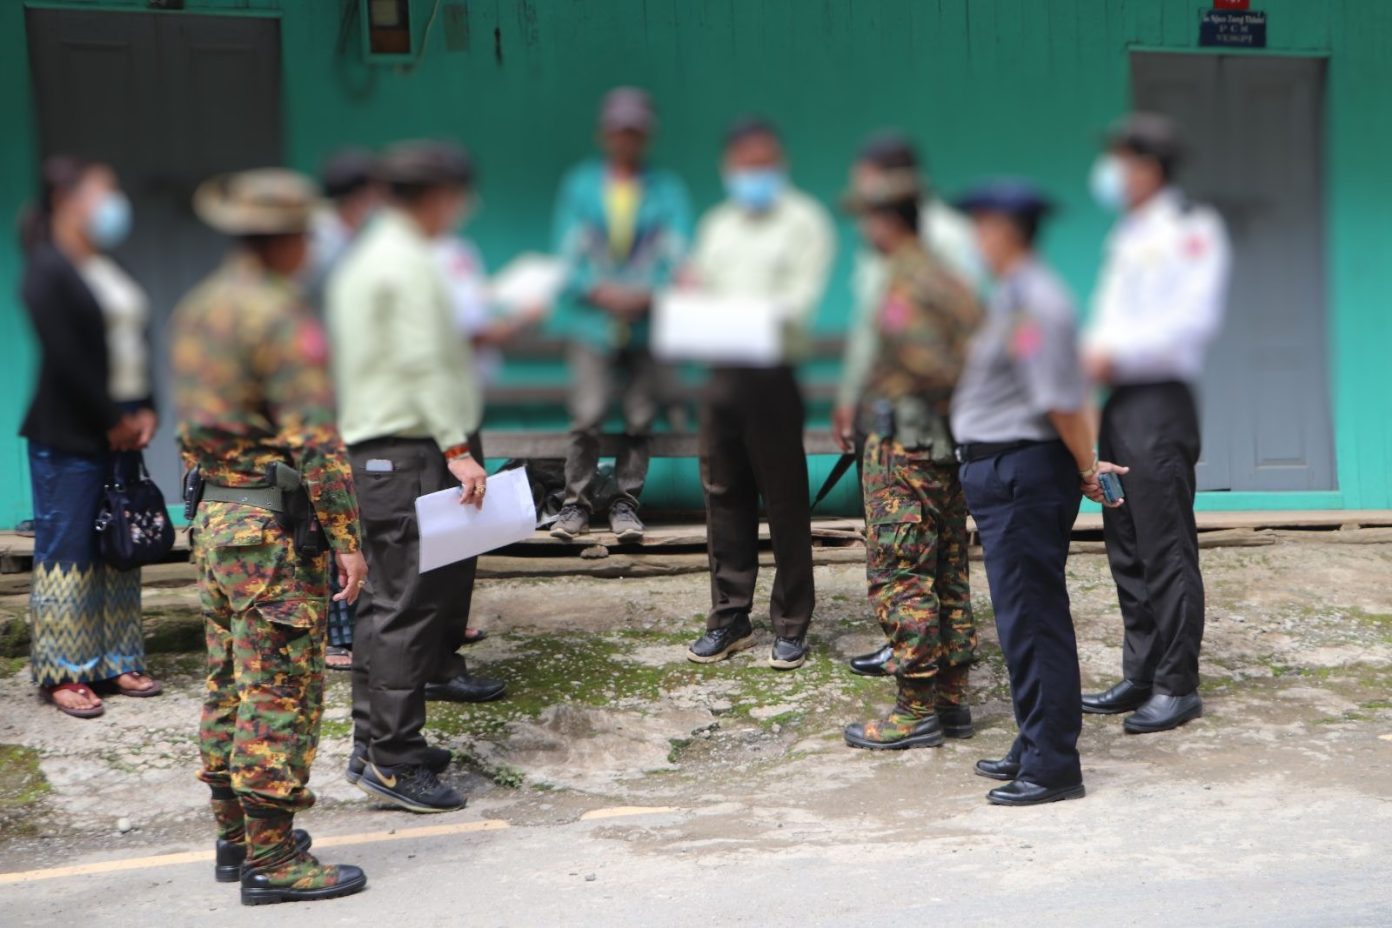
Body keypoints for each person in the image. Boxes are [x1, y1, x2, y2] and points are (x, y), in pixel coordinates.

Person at [172, 168, 368, 904]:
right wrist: (347, 537)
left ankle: (235, 839)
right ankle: (274, 859)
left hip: (216, 523)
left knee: (228, 680)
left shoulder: (200, 308)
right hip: (271, 532)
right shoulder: (283, 319)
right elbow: (317, 440)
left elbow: (189, 432)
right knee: (279, 690)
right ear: (286, 239)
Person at [328, 140, 505, 816]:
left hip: (374, 452)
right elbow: (423, 361)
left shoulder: (367, 255)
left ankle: (373, 743)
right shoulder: (409, 263)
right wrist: (457, 448)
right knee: (408, 607)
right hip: (409, 449)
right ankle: (396, 762)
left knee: (382, 603)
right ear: (437, 197)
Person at [951, 180, 1129, 805]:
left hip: (1022, 472)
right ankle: (1034, 739)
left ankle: (1054, 764)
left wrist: (1086, 465)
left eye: (981, 227)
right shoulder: (1011, 297)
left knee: (1033, 618)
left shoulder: (1037, 303)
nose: (975, 239)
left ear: (1005, 231)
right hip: (1004, 469)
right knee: (1018, 617)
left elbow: (1063, 400)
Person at [1081, 113, 1231, 734]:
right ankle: (1141, 671)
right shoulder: (1129, 232)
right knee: (1126, 540)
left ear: (1149, 167)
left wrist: (1110, 354)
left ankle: (1177, 684)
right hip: (1120, 401)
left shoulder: (1191, 229)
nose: (1113, 173)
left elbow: (1191, 324)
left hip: (1159, 402)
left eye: (1123, 161)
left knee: (1165, 546)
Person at [835, 166, 981, 750]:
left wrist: (894, 393)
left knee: (902, 576)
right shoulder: (950, 277)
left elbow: (929, 363)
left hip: (906, 451)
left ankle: (915, 711)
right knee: (948, 571)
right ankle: (951, 701)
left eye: (868, 218)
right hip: (945, 449)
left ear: (887, 220)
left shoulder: (905, 279)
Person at [683, 117, 835, 671]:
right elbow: (697, 288)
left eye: (764, 163)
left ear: (780, 163)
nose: (755, 173)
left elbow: (797, 304)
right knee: (723, 493)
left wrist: (729, 314)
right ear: (729, 168)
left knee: (785, 500)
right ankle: (730, 616)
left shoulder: (804, 221)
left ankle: (791, 623)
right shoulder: (717, 225)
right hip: (721, 373)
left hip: (772, 374)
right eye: (745, 165)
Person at [18, 155, 163, 720]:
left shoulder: (105, 265)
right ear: (67, 199)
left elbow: (135, 342)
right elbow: (66, 358)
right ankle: (65, 669)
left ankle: (119, 658)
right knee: (69, 547)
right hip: (72, 428)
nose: (112, 203)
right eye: (103, 192)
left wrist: (148, 406)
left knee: (118, 541)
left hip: (122, 421)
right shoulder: (46, 269)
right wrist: (109, 417)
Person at [549, 87, 693, 543]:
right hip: (592, 322)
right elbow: (566, 256)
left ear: (646, 136)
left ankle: (626, 503)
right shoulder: (580, 186)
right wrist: (600, 290)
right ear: (604, 134)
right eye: (618, 130)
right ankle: (575, 504)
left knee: (639, 418)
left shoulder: (666, 190)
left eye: (635, 131)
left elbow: (679, 254)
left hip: (646, 322)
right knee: (587, 415)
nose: (626, 139)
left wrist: (647, 294)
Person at [307, 148, 385, 672]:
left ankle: (354, 626)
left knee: (350, 505)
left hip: (349, 390)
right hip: (324, 394)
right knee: (334, 510)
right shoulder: (324, 244)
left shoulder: (347, 238)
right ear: (360, 194)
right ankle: (339, 636)